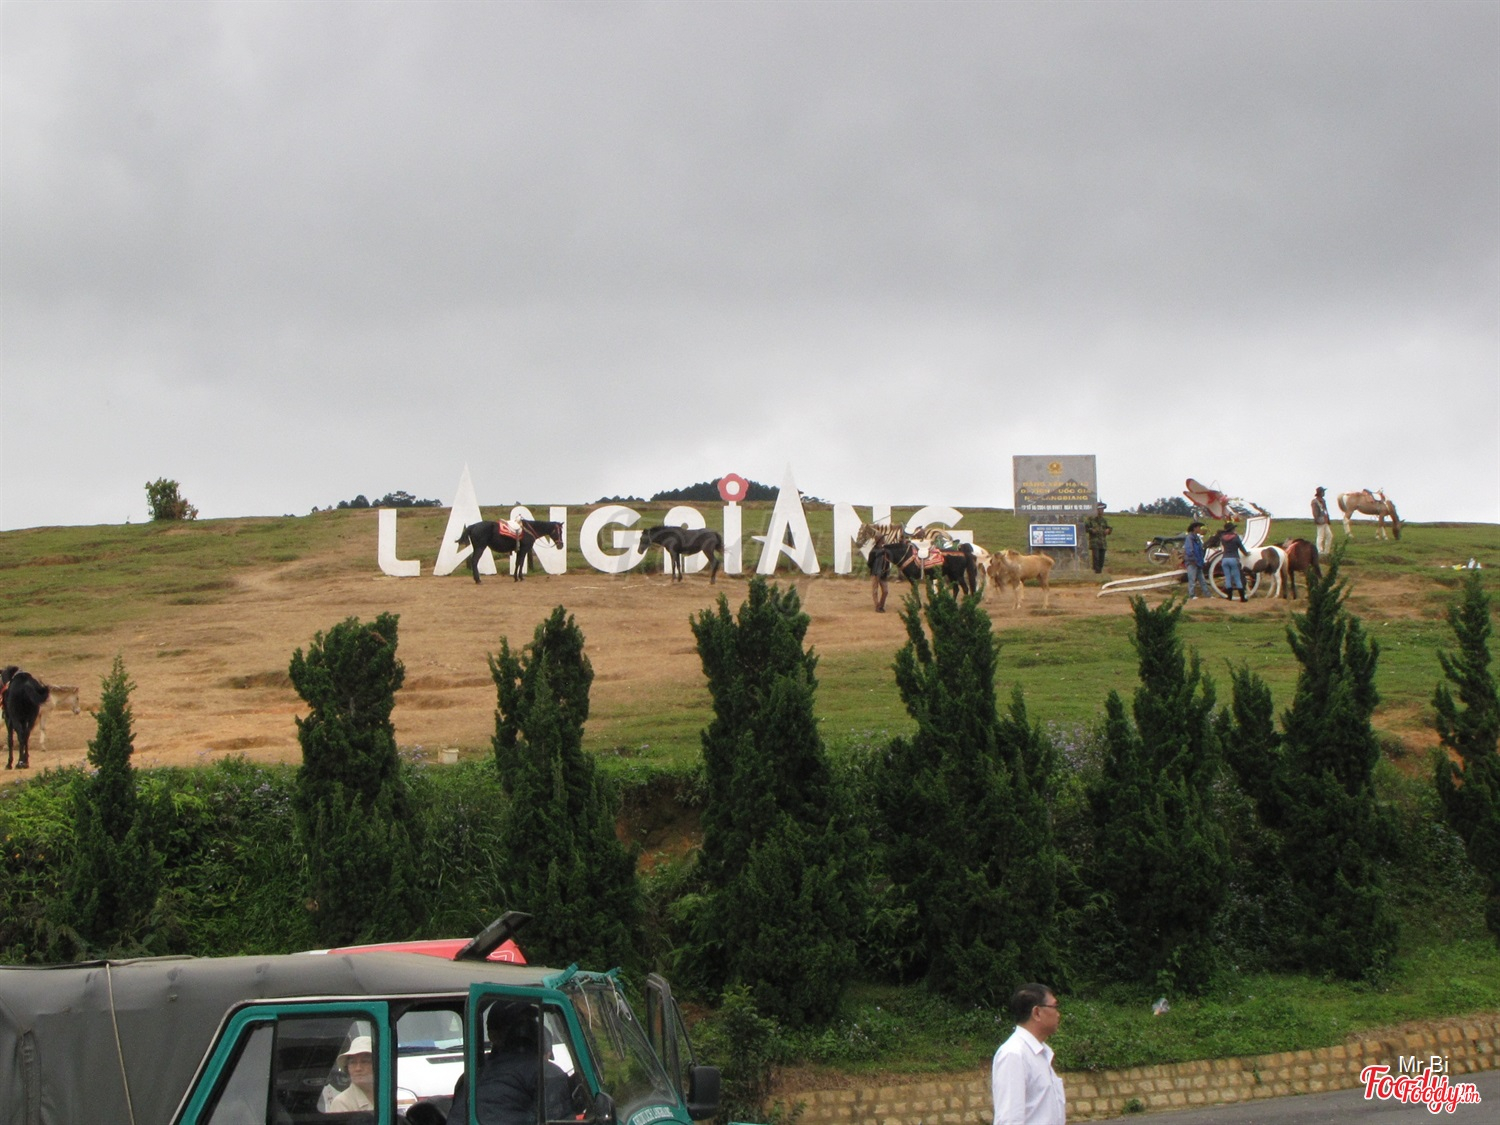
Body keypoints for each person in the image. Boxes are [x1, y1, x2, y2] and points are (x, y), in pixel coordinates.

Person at [450, 1001, 572, 1125]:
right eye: (517, 1024)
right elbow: (559, 1119)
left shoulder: (472, 1072)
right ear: (493, 1036)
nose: (526, 1029)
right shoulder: (546, 1073)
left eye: (530, 1021)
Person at [991, 982, 1066, 1125]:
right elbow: (1010, 1119)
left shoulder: (1041, 1053)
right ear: (1037, 1012)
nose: (1058, 1014)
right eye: (1054, 1007)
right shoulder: (1014, 1054)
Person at [326, 1035, 375, 1112]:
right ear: (347, 1068)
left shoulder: (389, 1095)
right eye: (353, 1062)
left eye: (364, 1062)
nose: (358, 1068)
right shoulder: (342, 1103)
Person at [1218, 520, 1249, 602]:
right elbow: (1241, 547)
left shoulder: (1222, 538)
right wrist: (1246, 554)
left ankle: (1229, 597)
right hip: (1233, 558)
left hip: (1224, 559)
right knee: (1237, 578)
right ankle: (1242, 598)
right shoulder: (1235, 537)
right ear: (1232, 529)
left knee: (1228, 578)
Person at [1183, 521, 1209, 599]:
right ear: (1194, 528)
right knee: (1192, 579)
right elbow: (1189, 550)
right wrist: (1193, 559)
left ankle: (1207, 594)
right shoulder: (1190, 538)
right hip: (1192, 562)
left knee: (1202, 580)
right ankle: (1191, 595)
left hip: (1198, 561)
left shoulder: (1196, 538)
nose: (1200, 529)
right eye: (1198, 527)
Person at [1083, 503, 1112, 574]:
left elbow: (1109, 527)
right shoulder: (1091, 519)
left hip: (1102, 542)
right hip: (1095, 542)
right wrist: (1091, 530)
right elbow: (1085, 528)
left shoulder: (1103, 520)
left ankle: (1099, 572)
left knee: (1102, 559)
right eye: (1100, 509)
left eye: (1102, 509)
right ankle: (1096, 572)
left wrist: (1108, 530)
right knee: (1096, 558)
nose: (1102, 511)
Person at [1311, 486, 1332, 556]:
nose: (1324, 493)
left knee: (1329, 536)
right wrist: (1317, 520)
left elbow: (1325, 510)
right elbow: (1315, 513)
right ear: (1320, 493)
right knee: (1320, 536)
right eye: (1323, 492)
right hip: (1320, 521)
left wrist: (1327, 519)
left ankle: (1326, 551)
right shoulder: (1315, 502)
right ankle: (1319, 551)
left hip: (1325, 521)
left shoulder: (1323, 501)